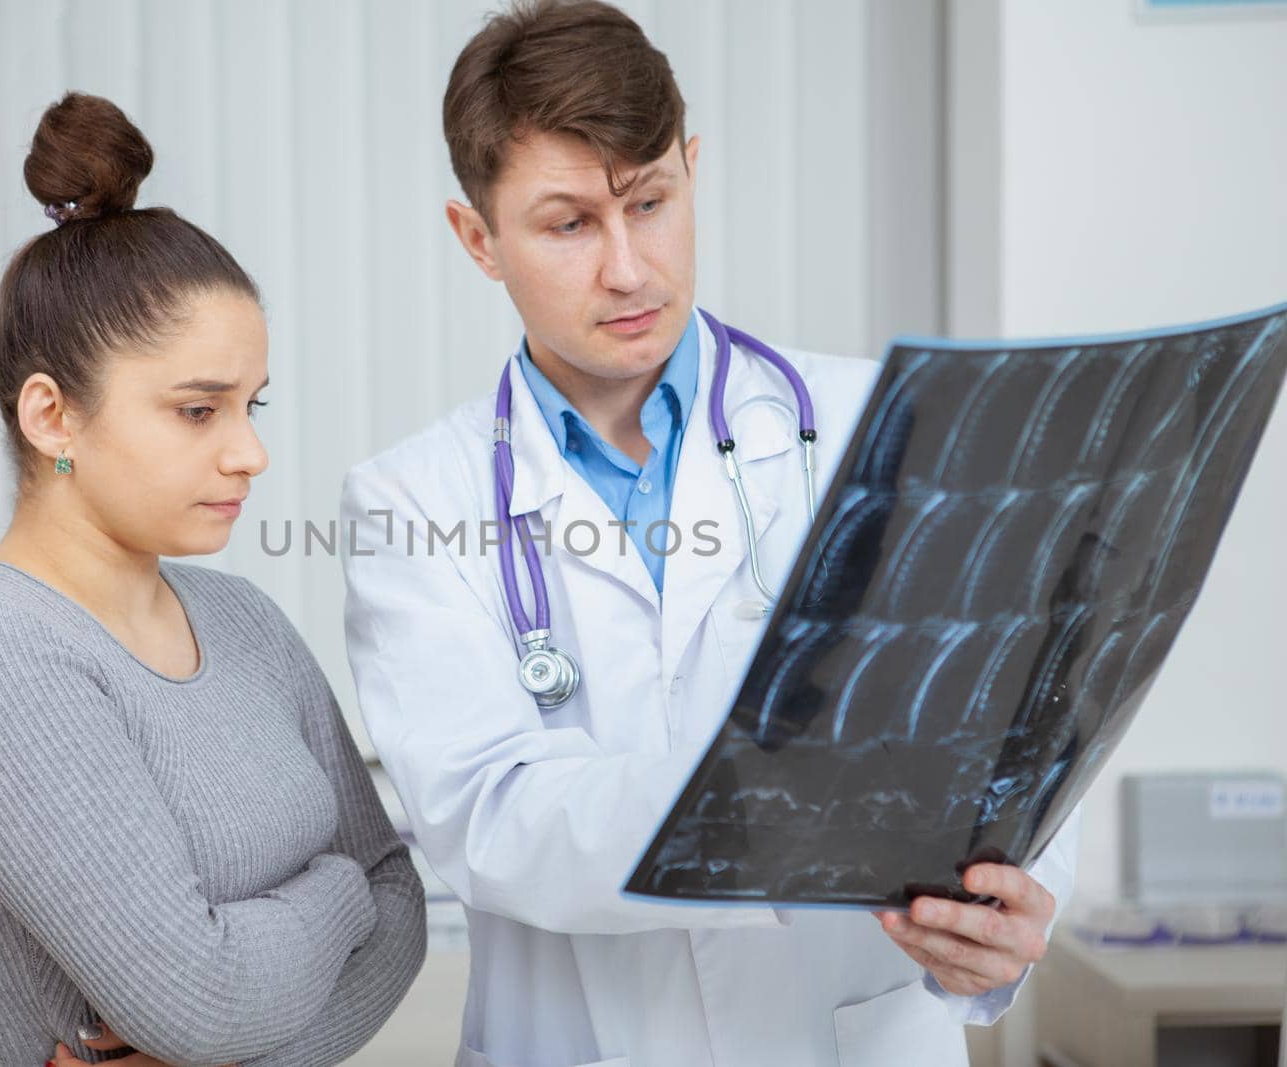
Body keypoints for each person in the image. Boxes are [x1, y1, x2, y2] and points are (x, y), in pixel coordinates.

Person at [338, 3, 1078, 1064]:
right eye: (568, 224)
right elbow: (490, 821)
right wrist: (784, 799)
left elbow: (1013, 720)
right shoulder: (413, 503)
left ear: (691, 170)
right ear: (477, 238)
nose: (630, 267)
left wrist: (1016, 903)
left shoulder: (882, 426)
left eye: (651, 201)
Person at [0, 92, 424, 1067]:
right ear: (51, 416)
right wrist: (338, 890)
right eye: (196, 410)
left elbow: (401, 901)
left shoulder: (245, 620)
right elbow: (206, 1001)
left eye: (251, 404)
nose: (251, 451)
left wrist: (335, 908)